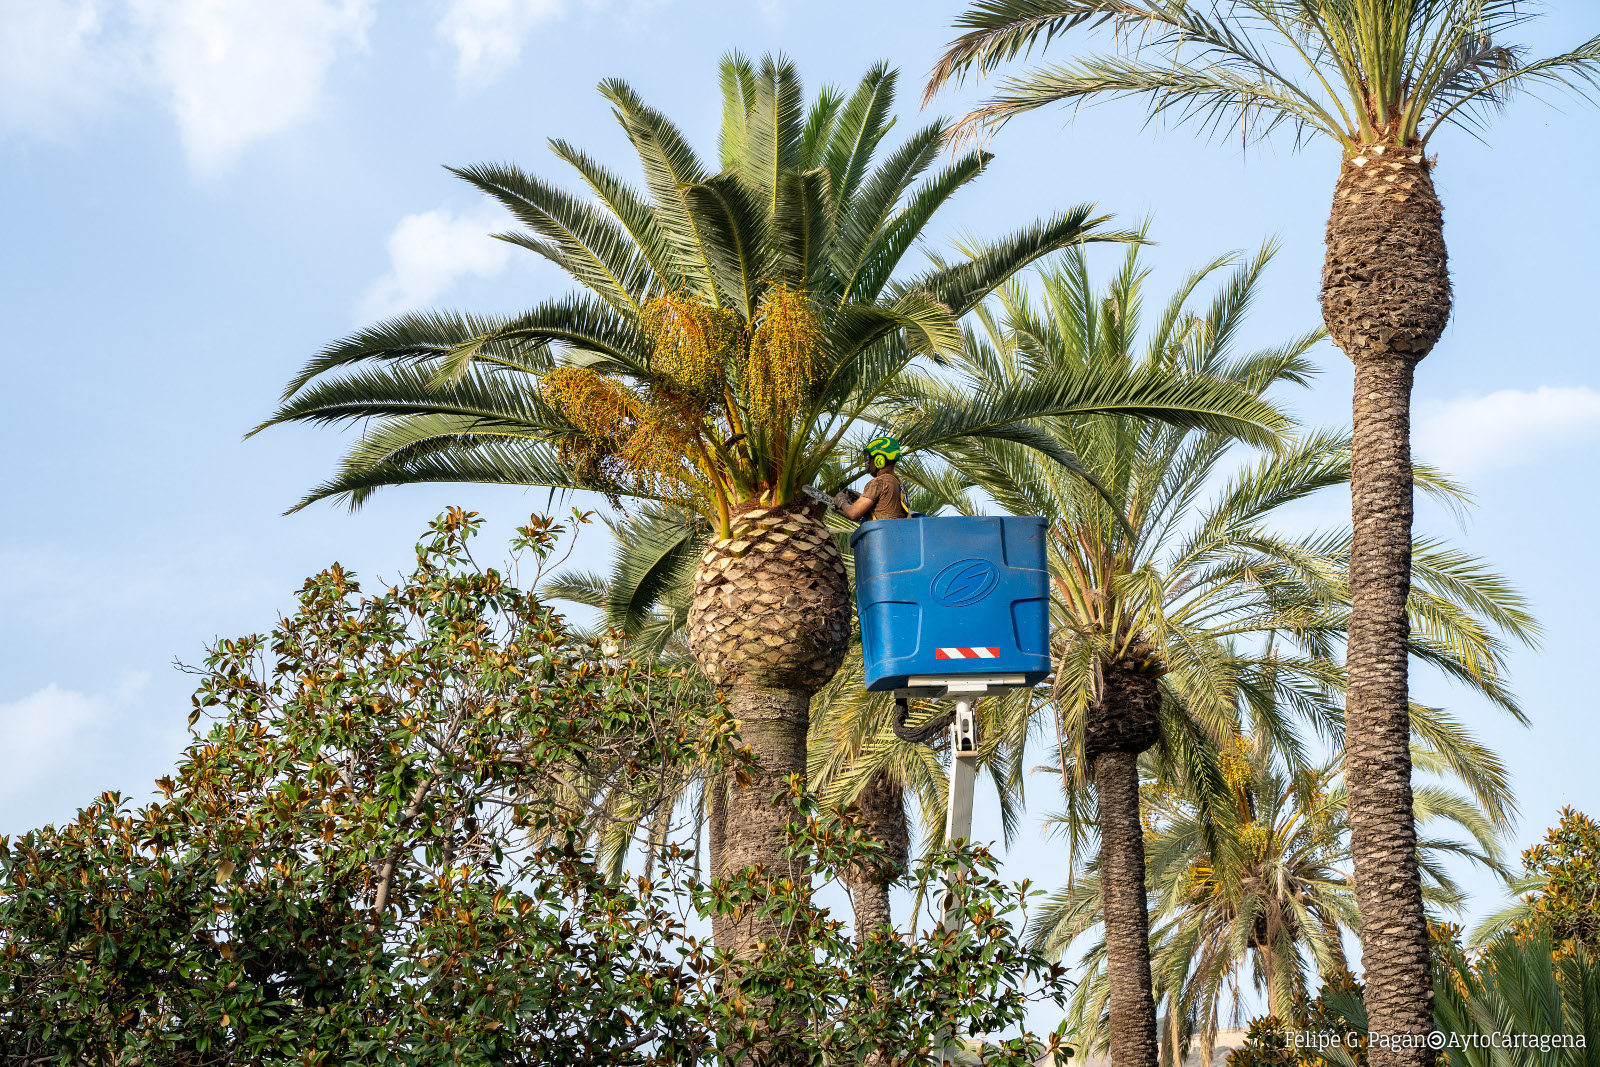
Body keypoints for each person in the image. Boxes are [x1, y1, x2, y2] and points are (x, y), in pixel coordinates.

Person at [838, 436, 908, 522]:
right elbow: (885, 510)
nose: (868, 462)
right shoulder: (900, 485)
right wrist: (860, 498)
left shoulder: (880, 482)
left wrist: (841, 501)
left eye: (870, 459)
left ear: (880, 460)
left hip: (881, 534)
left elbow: (853, 514)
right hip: (894, 532)